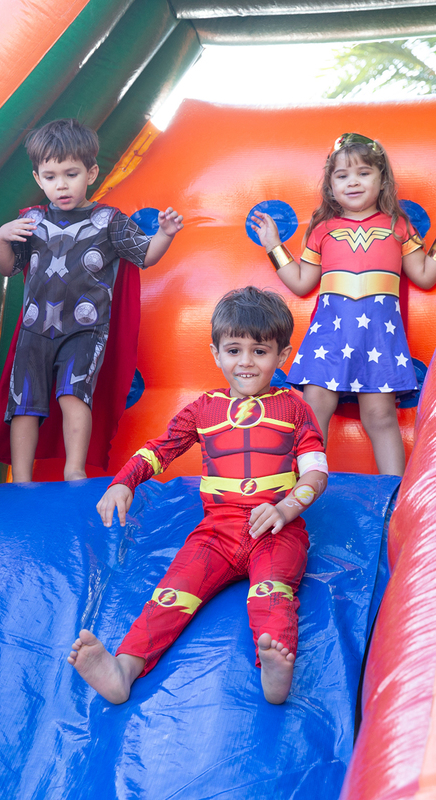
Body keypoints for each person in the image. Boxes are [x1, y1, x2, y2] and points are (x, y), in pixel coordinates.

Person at [68, 287, 329, 705]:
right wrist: (123, 481)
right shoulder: (203, 410)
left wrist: (285, 508)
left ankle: (276, 670)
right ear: (215, 353)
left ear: (282, 356)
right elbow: (160, 449)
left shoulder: (294, 408)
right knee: (172, 594)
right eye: (234, 350)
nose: (246, 362)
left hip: (278, 529)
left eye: (260, 351)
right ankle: (124, 668)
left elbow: (316, 473)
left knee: (272, 592)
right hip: (217, 533)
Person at [250, 132, 436, 476]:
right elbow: (302, 283)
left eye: (364, 173)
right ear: (330, 186)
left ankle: (392, 495)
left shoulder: (398, 226)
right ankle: (298, 488)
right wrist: (274, 244)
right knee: (314, 407)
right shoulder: (322, 229)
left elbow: (424, 276)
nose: (353, 182)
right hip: (329, 338)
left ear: (382, 181)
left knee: (380, 416)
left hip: (378, 339)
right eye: (342, 175)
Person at [0, 118, 183, 482]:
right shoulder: (30, 222)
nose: (61, 184)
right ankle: (19, 482)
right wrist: (3, 239)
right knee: (24, 404)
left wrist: (165, 234)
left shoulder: (109, 221)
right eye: (50, 176)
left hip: (84, 332)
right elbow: (7, 268)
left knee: (73, 395)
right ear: (37, 178)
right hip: (34, 332)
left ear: (91, 172)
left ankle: (75, 472)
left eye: (71, 173)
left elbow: (145, 255)